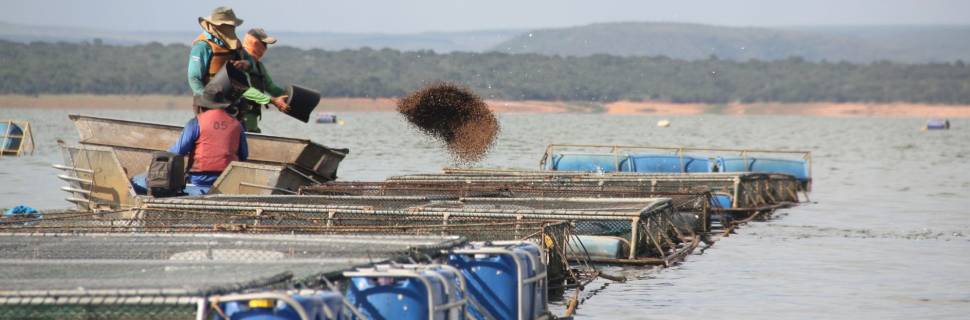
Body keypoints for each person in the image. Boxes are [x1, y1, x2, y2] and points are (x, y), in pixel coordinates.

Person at [168, 83, 249, 195]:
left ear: (203, 106)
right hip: (228, 179)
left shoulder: (196, 122)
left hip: (199, 178)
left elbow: (178, 151)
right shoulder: (237, 124)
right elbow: (244, 155)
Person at [188, 6, 253, 114]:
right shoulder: (202, 46)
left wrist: (246, 64)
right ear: (215, 25)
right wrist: (208, 100)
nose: (230, 28)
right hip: (207, 104)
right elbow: (194, 78)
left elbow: (250, 63)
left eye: (232, 26)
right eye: (226, 25)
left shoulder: (235, 43)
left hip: (232, 101)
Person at [236, 28, 290, 132]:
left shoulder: (259, 66)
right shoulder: (239, 63)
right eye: (264, 44)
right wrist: (273, 101)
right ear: (255, 43)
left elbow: (271, 87)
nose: (265, 48)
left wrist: (290, 97)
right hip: (238, 117)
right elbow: (245, 90)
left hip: (253, 118)